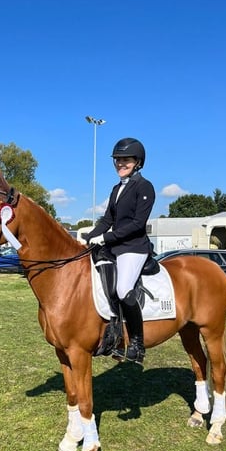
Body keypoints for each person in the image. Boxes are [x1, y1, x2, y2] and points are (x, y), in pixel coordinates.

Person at [84, 137, 155, 363]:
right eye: (117, 160)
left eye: (125, 160)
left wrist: (105, 238)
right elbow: (107, 220)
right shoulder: (116, 189)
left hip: (134, 247)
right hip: (116, 247)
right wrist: (90, 237)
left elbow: (137, 224)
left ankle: (137, 342)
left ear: (138, 162)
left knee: (124, 288)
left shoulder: (144, 187)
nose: (120, 164)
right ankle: (114, 335)